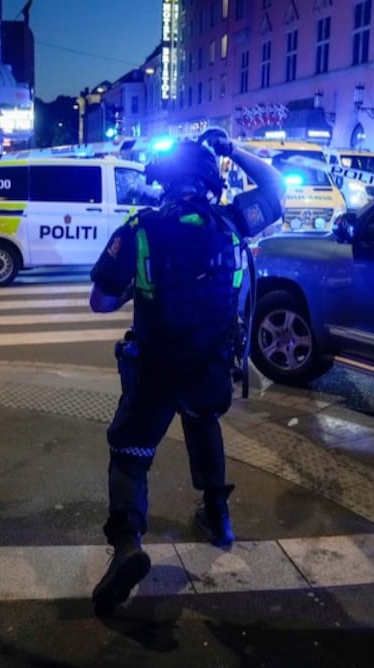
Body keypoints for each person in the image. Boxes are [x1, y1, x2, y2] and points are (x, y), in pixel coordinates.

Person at [87, 128, 286, 615]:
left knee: (129, 453)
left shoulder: (140, 229)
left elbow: (100, 301)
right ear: (210, 180)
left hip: (155, 367)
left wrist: (139, 289)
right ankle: (217, 516)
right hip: (210, 366)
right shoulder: (234, 220)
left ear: (163, 182)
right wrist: (233, 149)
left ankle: (129, 544)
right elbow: (276, 187)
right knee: (202, 425)